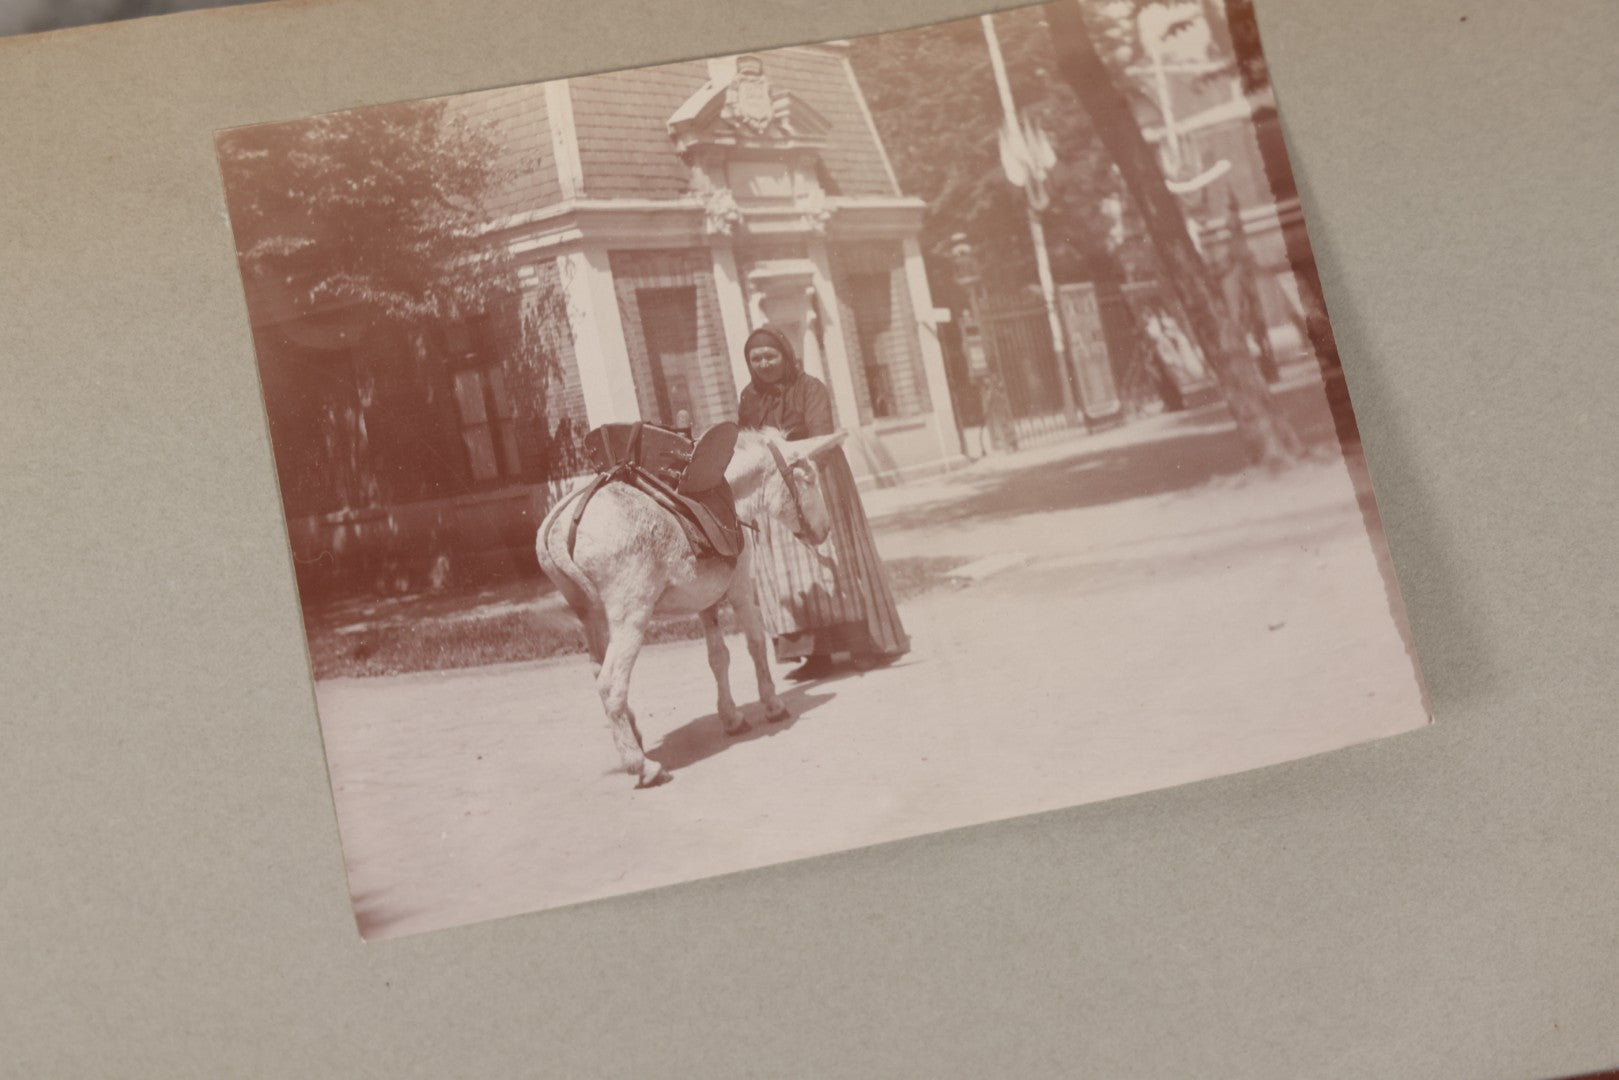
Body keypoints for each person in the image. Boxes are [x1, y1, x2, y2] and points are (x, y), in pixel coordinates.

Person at [736, 325, 909, 680]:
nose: (764, 364)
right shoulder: (749, 397)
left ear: (786, 356)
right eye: (757, 359)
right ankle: (814, 653)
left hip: (817, 477)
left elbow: (818, 437)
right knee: (789, 573)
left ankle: (861, 644)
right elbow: (748, 442)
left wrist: (794, 472)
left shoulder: (811, 388)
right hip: (775, 490)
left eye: (771, 356)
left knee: (833, 561)